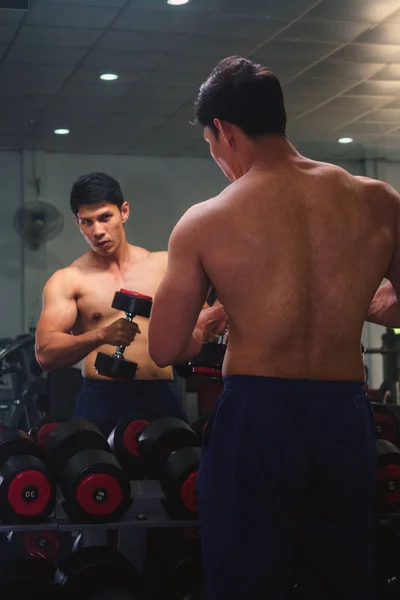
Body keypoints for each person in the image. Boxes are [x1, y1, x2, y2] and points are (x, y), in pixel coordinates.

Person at [148, 56, 400, 600]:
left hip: (258, 418)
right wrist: (364, 303)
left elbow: (167, 346)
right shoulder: (379, 202)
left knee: (245, 582)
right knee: (341, 580)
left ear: (223, 130)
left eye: (211, 145)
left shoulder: (204, 220)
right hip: (343, 417)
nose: (217, 158)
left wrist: (216, 319)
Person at [35, 172, 224, 437]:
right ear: (77, 222)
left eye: (105, 217)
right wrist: (101, 335)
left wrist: (218, 314)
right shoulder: (68, 280)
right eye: (87, 222)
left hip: (160, 395)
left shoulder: (163, 266)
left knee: (176, 474)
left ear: (123, 212)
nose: (97, 231)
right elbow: (45, 353)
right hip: (101, 397)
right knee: (99, 476)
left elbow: (206, 322)